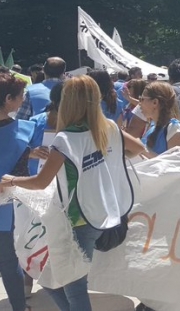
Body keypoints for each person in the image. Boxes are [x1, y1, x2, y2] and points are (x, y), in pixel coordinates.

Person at [2, 75, 145, 311]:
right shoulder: (108, 127)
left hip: (77, 219)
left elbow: (40, 181)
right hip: (105, 214)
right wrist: (106, 161)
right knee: (52, 276)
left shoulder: (65, 138)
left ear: (67, 103)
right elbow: (138, 148)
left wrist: (10, 181)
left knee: (71, 286)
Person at [0, 72, 36, 311]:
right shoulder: (24, 130)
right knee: (9, 260)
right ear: (9, 99)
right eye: (21, 95)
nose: (24, 99)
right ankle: (18, 307)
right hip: (9, 207)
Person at [140, 82, 180, 156]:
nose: (139, 103)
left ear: (155, 102)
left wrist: (141, 150)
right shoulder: (153, 126)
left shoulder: (174, 129)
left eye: (142, 99)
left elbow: (176, 163)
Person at [17, 56, 65, 121]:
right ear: (63, 72)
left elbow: (21, 120)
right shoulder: (74, 91)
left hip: (39, 130)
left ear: (43, 70)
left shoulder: (30, 91)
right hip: (69, 130)